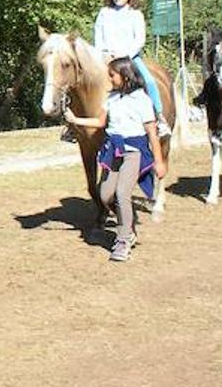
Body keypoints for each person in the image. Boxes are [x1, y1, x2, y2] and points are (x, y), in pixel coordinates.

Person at [64, 57, 168, 262]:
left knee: (122, 193)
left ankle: (123, 240)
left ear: (125, 76)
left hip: (132, 152)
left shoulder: (142, 100)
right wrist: (75, 120)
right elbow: (100, 122)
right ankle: (127, 226)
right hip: (113, 151)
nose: (109, 79)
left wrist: (159, 161)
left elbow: (152, 133)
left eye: (112, 75)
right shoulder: (110, 99)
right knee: (105, 195)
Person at [92, 0, 169, 137]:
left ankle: (160, 118)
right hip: (106, 58)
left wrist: (124, 54)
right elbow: (98, 37)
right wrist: (104, 53)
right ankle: (74, 126)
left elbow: (139, 40)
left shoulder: (135, 15)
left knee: (149, 81)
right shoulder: (104, 13)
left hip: (129, 59)